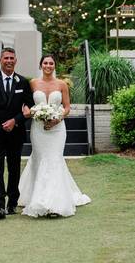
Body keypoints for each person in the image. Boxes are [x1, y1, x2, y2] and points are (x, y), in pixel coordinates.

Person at [17, 54, 91, 217]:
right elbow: (27, 105)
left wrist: (57, 118)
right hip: (38, 129)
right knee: (39, 158)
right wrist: (30, 112)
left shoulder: (62, 84)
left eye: (51, 63)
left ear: (54, 66)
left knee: (55, 159)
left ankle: (55, 201)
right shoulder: (33, 83)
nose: (48, 65)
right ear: (40, 65)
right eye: (45, 63)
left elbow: (67, 107)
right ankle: (37, 197)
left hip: (58, 129)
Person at [0, 47, 34, 219]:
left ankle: (12, 203)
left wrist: (15, 121)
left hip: (15, 133)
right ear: (0, 61)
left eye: (12, 58)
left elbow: (29, 108)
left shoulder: (23, 82)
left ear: (16, 61)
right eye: (6, 58)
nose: (9, 61)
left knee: (14, 168)